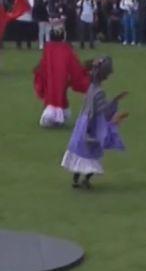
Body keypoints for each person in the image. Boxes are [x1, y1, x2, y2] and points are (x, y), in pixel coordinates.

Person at [60, 57, 129, 189]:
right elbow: (104, 112)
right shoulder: (99, 92)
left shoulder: (91, 88)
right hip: (92, 126)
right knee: (92, 154)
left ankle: (76, 180)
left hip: (82, 123)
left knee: (80, 153)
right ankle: (85, 180)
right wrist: (116, 107)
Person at [34, 24, 92, 128]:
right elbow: (75, 66)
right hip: (63, 79)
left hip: (51, 80)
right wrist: (85, 71)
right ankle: (60, 113)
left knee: (52, 93)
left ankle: (53, 114)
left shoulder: (48, 49)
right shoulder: (66, 49)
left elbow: (42, 66)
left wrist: (39, 75)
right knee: (61, 94)